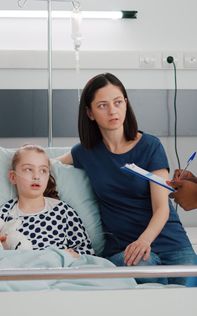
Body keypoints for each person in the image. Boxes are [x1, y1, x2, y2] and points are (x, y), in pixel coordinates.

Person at [58, 72, 197, 285]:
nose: (113, 110)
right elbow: (47, 163)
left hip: (171, 242)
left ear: (126, 103)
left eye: (117, 102)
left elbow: (161, 208)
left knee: (188, 295)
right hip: (126, 249)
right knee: (147, 271)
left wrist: (144, 240)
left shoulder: (150, 146)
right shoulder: (84, 153)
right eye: (103, 105)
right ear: (90, 113)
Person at [0, 145, 94, 257]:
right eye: (28, 169)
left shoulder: (62, 211)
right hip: (23, 269)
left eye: (43, 171)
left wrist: (70, 255)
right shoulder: (5, 212)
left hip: (57, 269)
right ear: (13, 177)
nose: (36, 176)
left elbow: (87, 252)